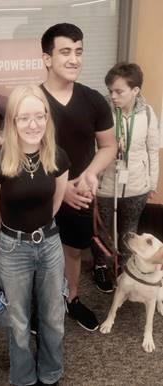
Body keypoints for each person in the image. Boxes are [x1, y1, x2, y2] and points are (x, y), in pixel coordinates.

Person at [0, 84, 69, 386]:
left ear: (47, 118)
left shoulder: (57, 155)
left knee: (53, 316)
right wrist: (15, 236)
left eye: (39, 116)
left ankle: (50, 372)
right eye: (23, 118)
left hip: (49, 244)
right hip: (12, 247)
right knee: (17, 321)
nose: (33, 125)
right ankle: (23, 378)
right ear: (13, 122)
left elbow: (56, 203)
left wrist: (41, 232)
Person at [40, 23, 117, 331]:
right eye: (65, 52)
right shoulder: (32, 100)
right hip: (41, 194)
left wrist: (88, 176)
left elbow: (109, 146)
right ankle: (44, 303)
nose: (74, 59)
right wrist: (61, 188)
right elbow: (22, 156)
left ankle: (71, 298)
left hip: (81, 192)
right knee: (40, 253)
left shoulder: (94, 100)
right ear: (47, 58)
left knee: (73, 249)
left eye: (79, 52)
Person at [92, 62, 159, 279]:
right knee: (102, 231)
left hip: (136, 185)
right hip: (106, 185)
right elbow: (91, 148)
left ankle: (124, 267)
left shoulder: (147, 114)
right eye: (110, 90)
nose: (113, 96)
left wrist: (152, 182)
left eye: (119, 91)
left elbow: (152, 150)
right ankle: (102, 267)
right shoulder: (102, 112)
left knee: (129, 231)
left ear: (135, 91)